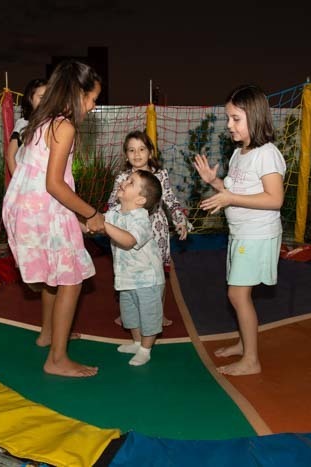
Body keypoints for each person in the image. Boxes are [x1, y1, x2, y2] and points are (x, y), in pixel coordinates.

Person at [1, 60, 104, 378]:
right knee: (71, 280)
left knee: (54, 274)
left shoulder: (42, 120)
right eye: (92, 98)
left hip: (29, 208)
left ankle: (48, 334)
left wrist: (76, 218)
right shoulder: (64, 126)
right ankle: (57, 359)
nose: (93, 106)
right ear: (77, 93)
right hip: (44, 209)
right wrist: (91, 213)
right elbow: (55, 184)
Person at [193, 84, 286, 376]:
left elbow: (275, 199)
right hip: (240, 234)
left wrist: (230, 198)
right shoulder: (238, 154)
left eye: (236, 118)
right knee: (238, 293)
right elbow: (235, 191)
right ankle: (245, 344)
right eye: (228, 118)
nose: (229, 125)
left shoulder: (267, 154)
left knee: (237, 295)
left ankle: (251, 360)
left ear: (254, 117)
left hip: (257, 235)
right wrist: (214, 182)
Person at [106, 130, 191, 326]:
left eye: (142, 149)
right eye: (131, 150)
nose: (137, 154)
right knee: (127, 269)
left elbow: (170, 200)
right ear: (126, 155)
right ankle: (128, 312)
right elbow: (112, 202)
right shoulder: (123, 178)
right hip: (128, 229)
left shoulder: (160, 174)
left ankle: (157, 313)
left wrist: (180, 220)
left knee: (156, 272)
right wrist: (106, 222)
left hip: (156, 230)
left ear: (150, 152)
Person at [104, 170, 164, 366]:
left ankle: (146, 349)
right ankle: (137, 342)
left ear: (140, 200)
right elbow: (93, 224)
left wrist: (103, 225)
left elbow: (129, 240)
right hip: (126, 277)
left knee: (148, 315)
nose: (124, 181)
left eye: (131, 182)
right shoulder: (114, 213)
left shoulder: (141, 219)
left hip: (147, 279)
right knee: (130, 314)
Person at [6, 78, 47, 176]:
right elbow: (10, 156)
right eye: (41, 97)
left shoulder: (52, 124)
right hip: (25, 179)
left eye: (49, 98)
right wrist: (17, 181)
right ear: (30, 98)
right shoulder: (23, 124)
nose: (45, 102)